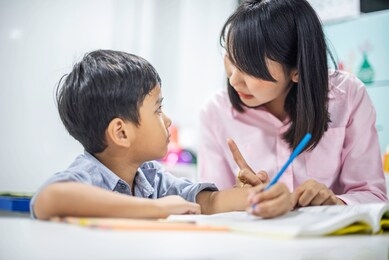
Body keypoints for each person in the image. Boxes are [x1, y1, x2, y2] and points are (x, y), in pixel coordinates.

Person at [30, 50, 292, 220]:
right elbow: (49, 198)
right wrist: (156, 209)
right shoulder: (89, 174)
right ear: (121, 133)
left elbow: (208, 202)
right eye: (158, 110)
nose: (167, 120)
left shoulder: (150, 178)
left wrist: (259, 197)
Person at [198, 0, 387, 207]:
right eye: (231, 60)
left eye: (250, 68)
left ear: (297, 68)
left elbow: (373, 196)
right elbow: (209, 206)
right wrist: (240, 199)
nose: (234, 80)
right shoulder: (215, 112)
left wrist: (334, 202)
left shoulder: (347, 96)